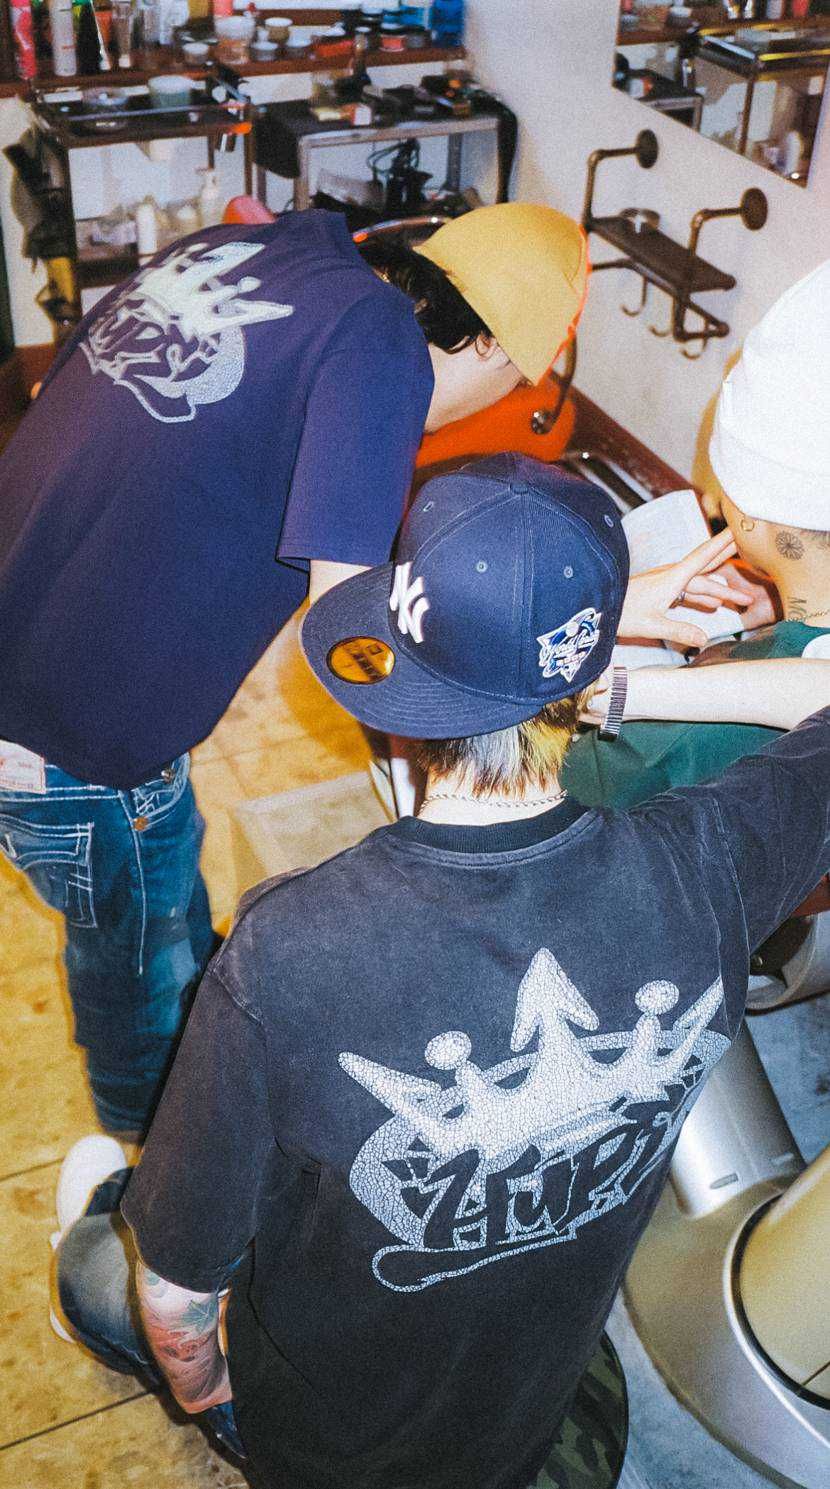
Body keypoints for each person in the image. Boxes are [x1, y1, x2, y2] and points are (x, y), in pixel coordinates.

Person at [54, 453, 830, 1489]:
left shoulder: (287, 949)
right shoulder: (715, 862)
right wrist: (623, 679)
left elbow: (177, 1297)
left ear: (399, 694)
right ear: (583, 676)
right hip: (539, 1396)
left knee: (103, 1264)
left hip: (330, 1444)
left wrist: (214, 1394)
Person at [0, 202, 590, 1138]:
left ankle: (193, 1014)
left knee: (163, 888)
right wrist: (469, 728)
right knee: (132, 959)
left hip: (30, 635)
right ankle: (145, 1154)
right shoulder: (383, 346)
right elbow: (347, 628)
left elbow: (56, 395)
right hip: (72, 741)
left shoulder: (253, 253)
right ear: (491, 349)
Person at [563, 258, 830, 813]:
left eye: (723, 485)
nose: (711, 502)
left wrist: (590, 628)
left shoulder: (671, 737)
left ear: (751, 514)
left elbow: (553, 785)